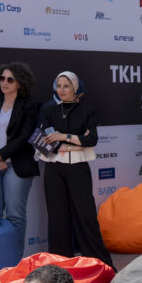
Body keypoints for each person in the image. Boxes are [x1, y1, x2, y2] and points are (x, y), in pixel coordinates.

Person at [37, 71, 113, 267]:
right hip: (54, 169)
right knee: (57, 219)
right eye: (59, 86)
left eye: (67, 85)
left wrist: (63, 136)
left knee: (85, 215)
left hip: (78, 169)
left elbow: (91, 140)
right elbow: (46, 143)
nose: (62, 90)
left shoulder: (87, 110)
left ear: (75, 88)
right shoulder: (48, 111)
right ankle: (60, 266)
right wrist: (77, 142)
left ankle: (98, 265)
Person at [0, 62, 38, 246]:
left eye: (10, 79)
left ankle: (14, 259)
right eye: (2, 78)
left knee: (15, 216)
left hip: (18, 165)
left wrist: (0, 156)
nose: (4, 82)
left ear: (20, 82)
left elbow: (25, 137)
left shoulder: (30, 105)